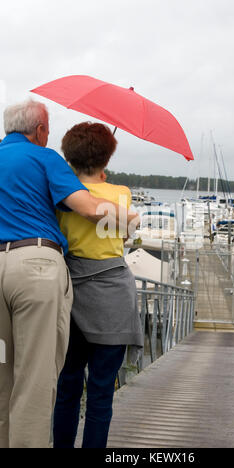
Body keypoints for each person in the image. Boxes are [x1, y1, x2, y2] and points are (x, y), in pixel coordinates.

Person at [0, 100, 139, 449]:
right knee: (40, 377)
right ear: (40, 130)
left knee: (10, 375)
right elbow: (91, 209)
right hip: (43, 273)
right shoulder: (48, 161)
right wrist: (130, 218)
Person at [53, 122, 144, 449]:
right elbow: (125, 235)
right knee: (102, 393)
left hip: (72, 295)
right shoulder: (121, 194)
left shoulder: (64, 193)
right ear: (106, 159)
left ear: (68, 157)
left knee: (67, 388)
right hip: (114, 297)